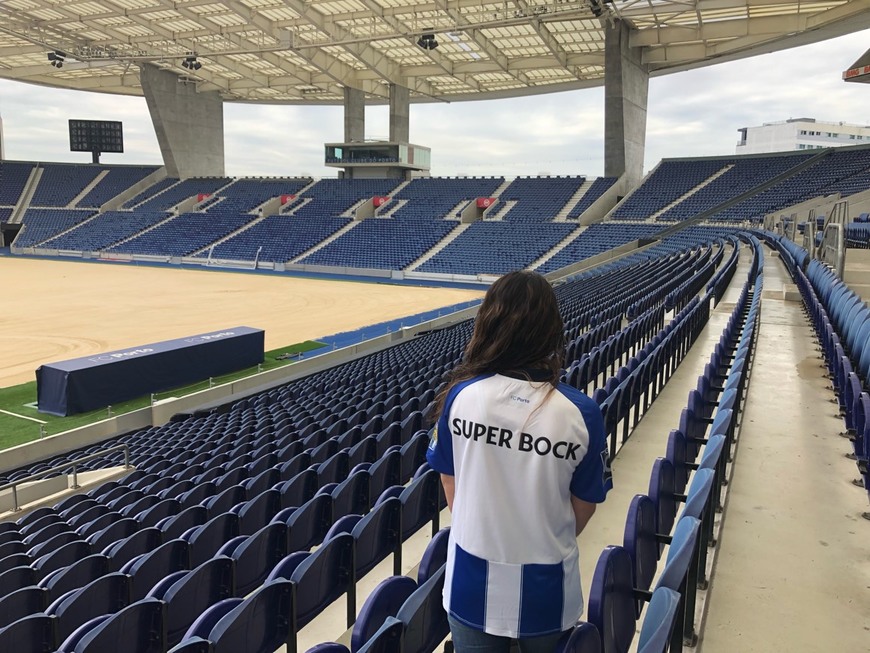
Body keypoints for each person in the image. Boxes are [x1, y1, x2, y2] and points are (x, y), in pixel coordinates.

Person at [426, 270, 612, 653]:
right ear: (550, 330)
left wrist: (486, 531)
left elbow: (450, 482)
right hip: (548, 588)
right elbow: (586, 503)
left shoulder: (461, 396)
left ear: (488, 321)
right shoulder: (581, 413)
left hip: (469, 582)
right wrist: (537, 536)